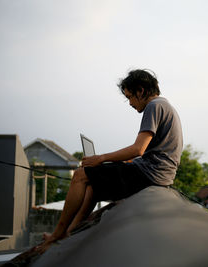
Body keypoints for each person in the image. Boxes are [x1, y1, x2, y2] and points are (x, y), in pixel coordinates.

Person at [36, 69, 183, 253]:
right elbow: (142, 152)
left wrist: (101, 158)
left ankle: (56, 235)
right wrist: (112, 163)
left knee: (81, 175)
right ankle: (70, 232)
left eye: (130, 97)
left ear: (141, 91)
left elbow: (139, 149)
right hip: (155, 173)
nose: (129, 103)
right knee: (92, 185)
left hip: (150, 176)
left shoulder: (153, 106)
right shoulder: (165, 105)